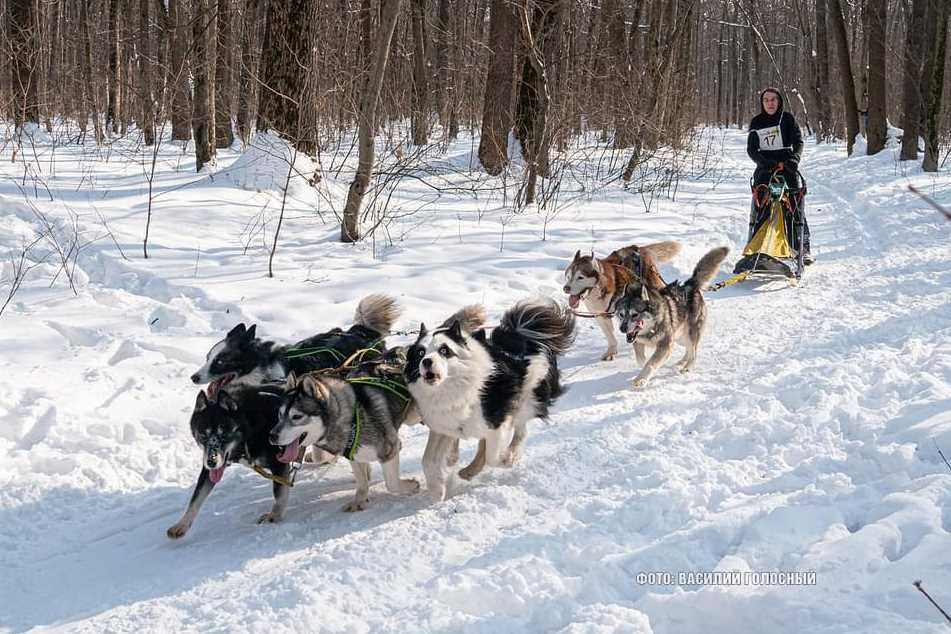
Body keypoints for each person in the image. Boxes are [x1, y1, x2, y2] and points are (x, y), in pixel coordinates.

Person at [746, 87, 813, 264]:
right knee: (762, 206)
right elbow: (751, 150)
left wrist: (794, 160)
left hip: (788, 166)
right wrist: (765, 163)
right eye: (766, 100)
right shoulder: (756, 122)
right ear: (762, 103)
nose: (770, 103)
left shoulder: (788, 119)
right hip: (765, 167)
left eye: (773, 100)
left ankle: (802, 248)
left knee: (794, 205)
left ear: (779, 101)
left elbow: (798, 142)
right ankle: (758, 247)